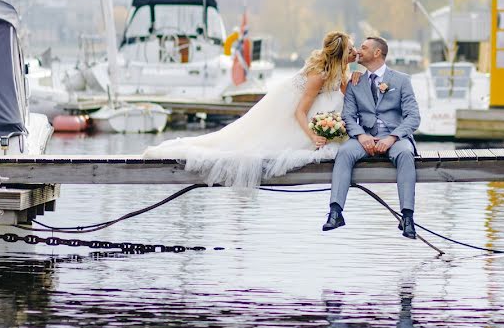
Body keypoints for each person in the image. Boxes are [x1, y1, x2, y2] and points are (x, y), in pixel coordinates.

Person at [142, 31, 357, 187]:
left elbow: (348, 94)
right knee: (250, 142)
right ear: (339, 55)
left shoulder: (341, 69)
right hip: (285, 105)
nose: (355, 52)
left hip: (300, 107)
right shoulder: (318, 75)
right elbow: (299, 111)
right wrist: (313, 137)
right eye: (351, 50)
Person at [323, 36, 421, 239]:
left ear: (377, 53)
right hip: (364, 137)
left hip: (394, 138)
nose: (358, 51)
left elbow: (413, 117)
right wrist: (361, 136)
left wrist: (392, 137)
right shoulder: (355, 82)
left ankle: (408, 218)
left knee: (405, 154)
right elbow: (348, 116)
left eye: (364, 47)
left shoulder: (401, 80)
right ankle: (335, 212)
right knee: (344, 153)